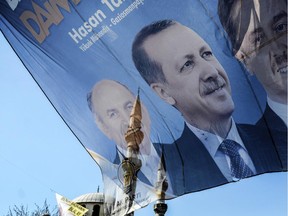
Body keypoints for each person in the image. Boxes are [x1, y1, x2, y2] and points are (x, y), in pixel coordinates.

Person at [132, 20, 282, 194]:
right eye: (187, 64)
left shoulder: (279, 137)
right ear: (163, 92)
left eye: (206, 54)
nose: (211, 71)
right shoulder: (166, 179)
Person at [218, 0, 287, 170]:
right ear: (244, 59)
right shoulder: (252, 156)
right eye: (259, 40)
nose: (278, 49)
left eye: (281, 27)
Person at [87, 79, 173, 196]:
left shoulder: (187, 152)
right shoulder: (114, 187)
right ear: (104, 128)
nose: (129, 120)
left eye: (129, 106)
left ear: (143, 108)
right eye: (113, 114)